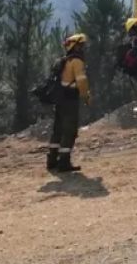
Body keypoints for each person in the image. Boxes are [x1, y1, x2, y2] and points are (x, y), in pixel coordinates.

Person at [47, 33, 91, 173]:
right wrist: (86, 96)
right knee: (70, 131)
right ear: (76, 46)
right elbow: (81, 81)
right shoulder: (77, 62)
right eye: (82, 45)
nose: (83, 48)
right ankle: (64, 162)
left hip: (60, 100)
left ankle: (52, 160)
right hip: (70, 100)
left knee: (58, 130)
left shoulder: (63, 60)